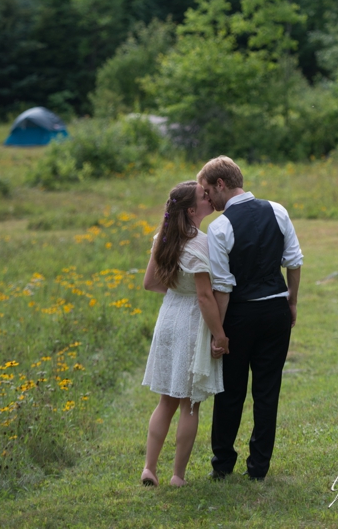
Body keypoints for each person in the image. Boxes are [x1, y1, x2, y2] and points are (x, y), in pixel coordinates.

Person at [198, 155, 303, 481]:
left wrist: (219, 334)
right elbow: (294, 262)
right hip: (275, 311)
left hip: (241, 313)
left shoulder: (220, 227)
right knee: (267, 390)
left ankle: (223, 464)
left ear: (220, 184)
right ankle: (258, 467)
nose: (209, 201)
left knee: (230, 391)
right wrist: (292, 303)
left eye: (208, 191)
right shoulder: (278, 210)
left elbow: (224, 287)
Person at [141, 180, 229, 487]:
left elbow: (150, 283)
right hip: (192, 323)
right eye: (204, 196)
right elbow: (205, 297)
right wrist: (219, 336)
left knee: (166, 400)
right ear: (193, 210)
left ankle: (149, 468)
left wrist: (178, 292)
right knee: (190, 403)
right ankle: (178, 475)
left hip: (168, 317)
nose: (209, 197)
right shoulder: (200, 244)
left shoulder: (163, 239)